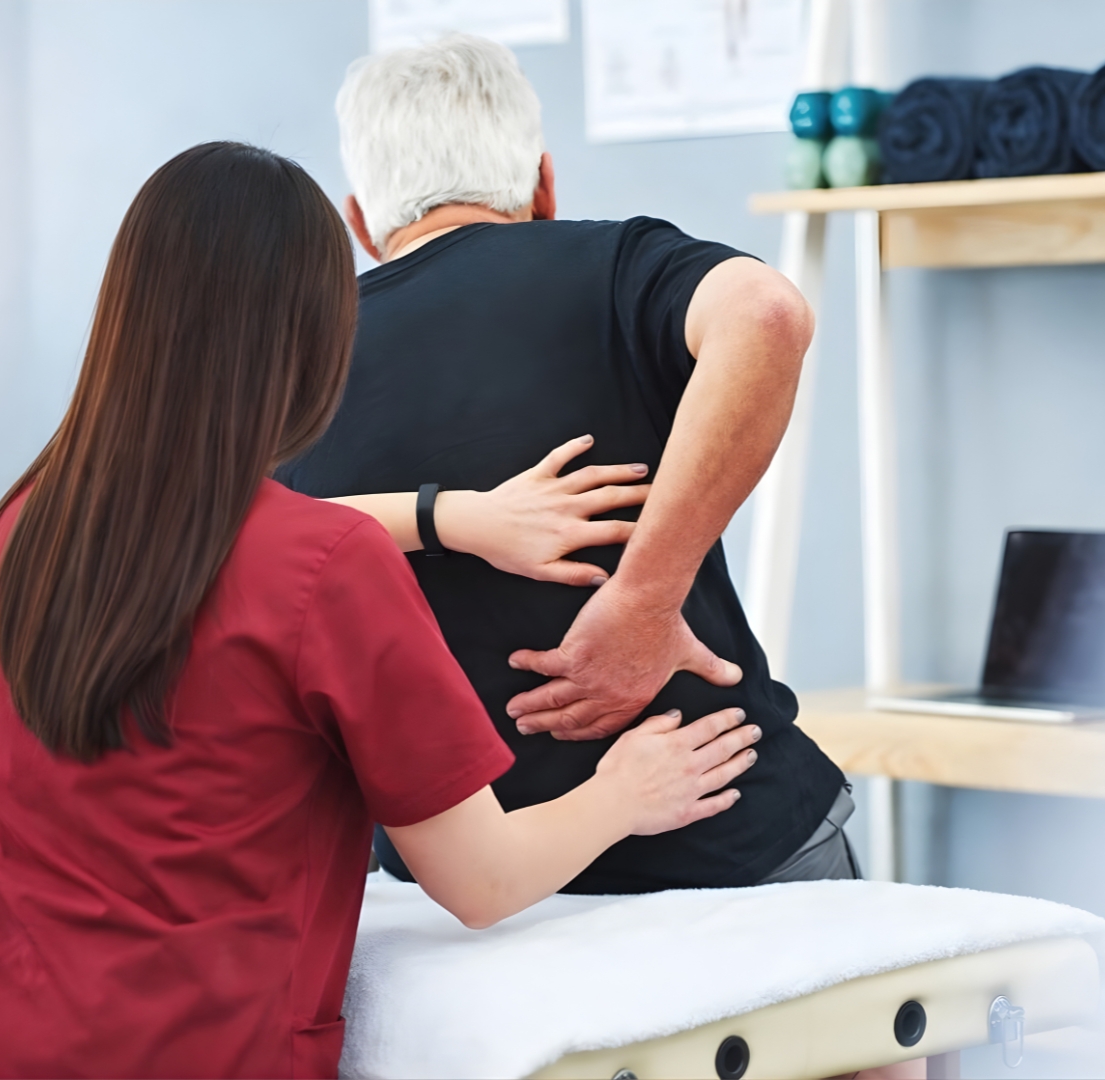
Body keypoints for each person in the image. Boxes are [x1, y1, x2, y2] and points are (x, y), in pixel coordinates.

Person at [0, 142, 760, 1079]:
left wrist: (448, 518)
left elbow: (217, 539)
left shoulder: (29, 523)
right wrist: (624, 792)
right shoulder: (329, 572)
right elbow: (482, 879)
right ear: (310, 338)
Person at [278, 34, 857, 894]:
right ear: (543, 184)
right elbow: (767, 316)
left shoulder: (287, 367)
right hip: (733, 848)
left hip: (458, 903)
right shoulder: (616, 265)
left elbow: (221, 548)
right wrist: (641, 603)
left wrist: (443, 520)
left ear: (360, 222)